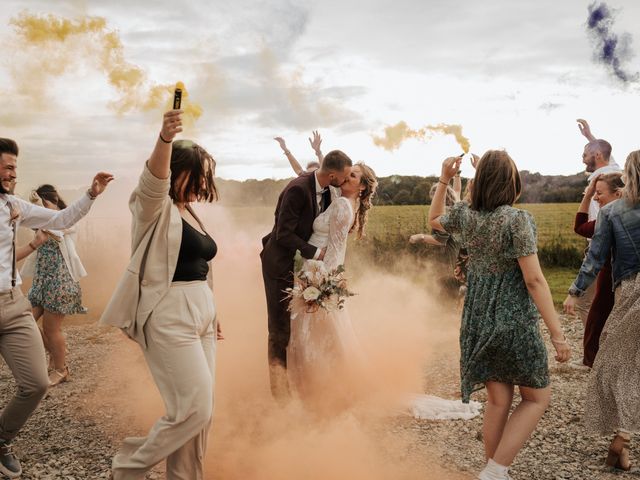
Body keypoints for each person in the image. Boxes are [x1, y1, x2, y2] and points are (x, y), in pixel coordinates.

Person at [429, 151, 570, 480]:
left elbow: (435, 220)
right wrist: (558, 334)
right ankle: (495, 470)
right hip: (512, 319)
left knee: (498, 399)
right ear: (512, 182)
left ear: (479, 182)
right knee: (537, 397)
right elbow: (534, 281)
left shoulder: (466, 214)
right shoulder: (517, 220)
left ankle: (495, 471)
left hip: (477, 318)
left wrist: (444, 178)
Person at [100, 109, 223, 480]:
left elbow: (201, 268)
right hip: (168, 314)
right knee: (194, 409)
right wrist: (165, 139)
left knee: (201, 413)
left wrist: (213, 311)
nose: (204, 183)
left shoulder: (190, 213)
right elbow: (154, 179)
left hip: (201, 312)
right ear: (178, 171)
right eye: (198, 174)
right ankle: (128, 466)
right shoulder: (153, 208)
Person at [0, 137, 112, 479]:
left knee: (35, 383)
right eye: (7, 166)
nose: (12, 173)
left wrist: (90, 195)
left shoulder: (13, 205)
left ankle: (1, 438)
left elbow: (62, 219)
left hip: (12, 301)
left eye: (14, 167)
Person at [564, 151, 640, 472]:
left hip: (628, 292)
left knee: (623, 364)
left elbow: (594, 258)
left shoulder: (610, 212)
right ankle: (621, 441)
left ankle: (621, 441)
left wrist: (575, 291)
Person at [261, 149, 352, 401]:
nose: (344, 182)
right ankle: (279, 393)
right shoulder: (298, 189)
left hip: (302, 265)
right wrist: (316, 252)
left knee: (295, 326)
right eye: (343, 178)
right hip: (279, 262)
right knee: (279, 327)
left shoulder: (323, 188)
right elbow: (283, 234)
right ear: (332, 175)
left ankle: (300, 381)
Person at [286, 162, 377, 411]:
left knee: (313, 334)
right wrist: (318, 154)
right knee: (316, 332)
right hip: (313, 267)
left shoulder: (341, 205)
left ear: (362, 186)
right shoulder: (341, 199)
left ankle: (318, 388)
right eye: (348, 173)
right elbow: (327, 176)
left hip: (318, 272)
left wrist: (322, 281)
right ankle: (314, 387)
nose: (348, 177)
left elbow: (336, 249)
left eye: (354, 175)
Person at [20, 185, 89, 387]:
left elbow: (57, 228)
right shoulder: (40, 221)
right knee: (25, 321)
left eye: (45, 203)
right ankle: (55, 352)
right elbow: (31, 221)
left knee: (51, 329)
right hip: (41, 283)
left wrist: (41, 205)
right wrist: (32, 204)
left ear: (55, 201)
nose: (42, 210)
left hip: (60, 282)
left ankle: (61, 369)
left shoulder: (65, 220)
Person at [572, 120, 621, 361]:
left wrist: (590, 193)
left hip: (600, 246)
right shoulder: (615, 173)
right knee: (608, 302)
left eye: (585, 154)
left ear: (597, 155)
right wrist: (590, 137)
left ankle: (600, 351)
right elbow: (608, 155)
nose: (582, 159)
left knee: (584, 302)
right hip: (616, 247)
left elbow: (584, 226)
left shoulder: (599, 180)